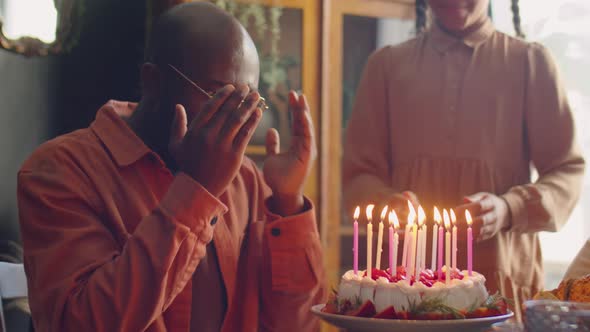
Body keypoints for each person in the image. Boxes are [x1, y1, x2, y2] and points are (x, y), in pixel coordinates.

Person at [17, 3, 325, 332]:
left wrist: (287, 201)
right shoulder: (62, 170)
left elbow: (298, 325)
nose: (235, 118)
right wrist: (196, 189)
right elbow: (84, 323)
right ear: (153, 81)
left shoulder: (246, 179)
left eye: (248, 103)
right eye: (218, 95)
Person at [342, 0, 585, 320]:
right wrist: (390, 204)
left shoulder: (529, 62)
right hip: (403, 294)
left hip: (500, 283)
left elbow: (567, 172)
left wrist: (507, 208)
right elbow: (358, 175)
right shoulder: (387, 66)